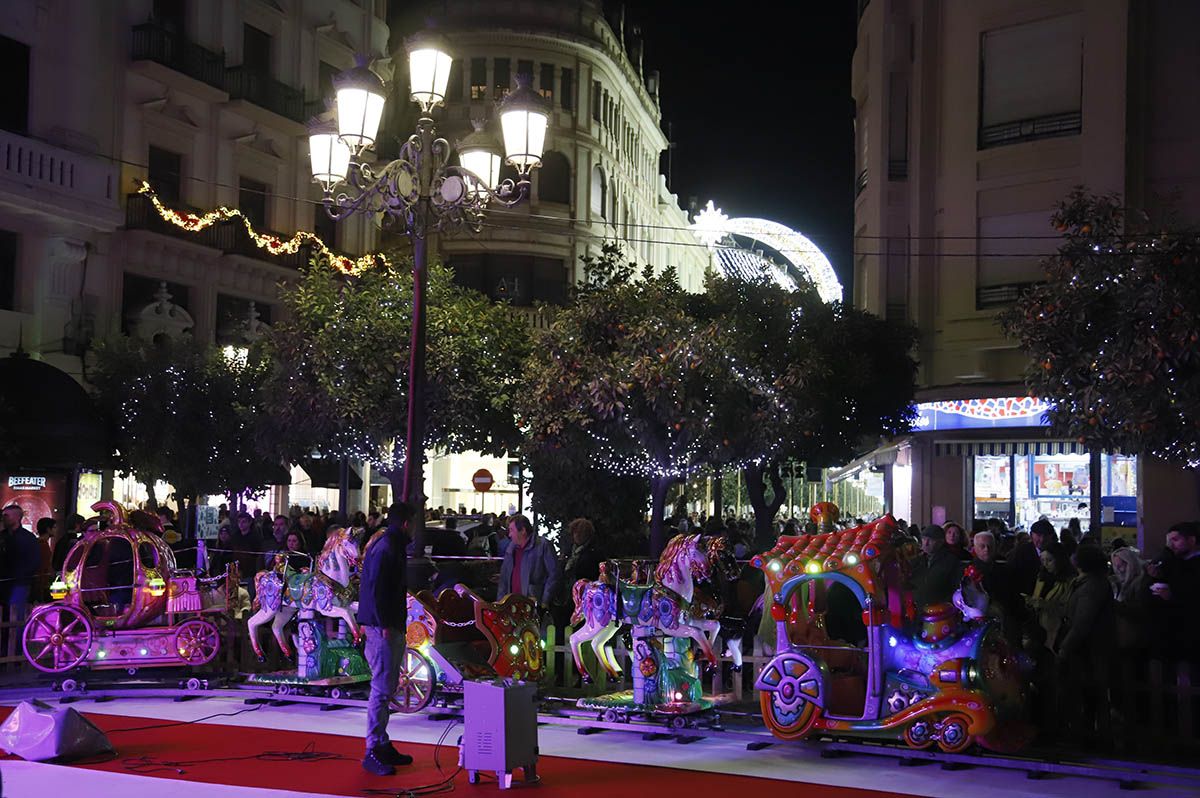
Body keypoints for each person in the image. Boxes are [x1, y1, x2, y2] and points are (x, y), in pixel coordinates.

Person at [357, 502, 414, 776]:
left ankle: (380, 743)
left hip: (384, 624)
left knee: (385, 687)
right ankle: (373, 748)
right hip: (383, 626)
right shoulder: (389, 547)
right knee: (381, 688)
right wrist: (383, 624)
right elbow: (377, 587)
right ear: (405, 523)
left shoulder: (387, 544)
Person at [1057, 544, 1115, 746]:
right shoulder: (1088, 583)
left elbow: (1082, 622)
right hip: (1089, 647)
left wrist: (1065, 647)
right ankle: (1089, 733)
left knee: (1090, 692)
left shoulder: (1090, 586)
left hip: (1089, 648)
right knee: (1090, 692)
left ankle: (1090, 736)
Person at [1147, 521, 1200, 662]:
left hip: (1191, 631)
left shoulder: (1192, 564)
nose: (1171, 545)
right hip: (1173, 632)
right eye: (1169, 541)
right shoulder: (1175, 561)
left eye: (1175, 540)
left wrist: (1173, 596)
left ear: (1192, 540)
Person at [497, 514, 560, 608]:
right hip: (512, 606)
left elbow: (554, 574)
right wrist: (500, 603)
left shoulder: (543, 546)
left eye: (511, 530)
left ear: (523, 530)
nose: (509, 535)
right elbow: (504, 579)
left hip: (534, 605)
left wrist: (545, 600)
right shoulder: (510, 549)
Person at [1026, 542, 1073, 653]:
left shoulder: (1068, 581)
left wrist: (1045, 605)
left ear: (1059, 559)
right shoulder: (1041, 577)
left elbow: (1068, 608)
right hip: (1039, 628)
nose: (1046, 564)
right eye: (1043, 560)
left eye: (1050, 560)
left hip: (1057, 631)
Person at [909, 524, 963, 610]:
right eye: (924, 539)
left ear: (940, 542)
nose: (926, 543)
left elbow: (956, 587)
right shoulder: (917, 560)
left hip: (939, 611)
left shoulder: (950, 561)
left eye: (930, 540)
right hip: (917, 610)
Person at [1, 505, 40, 607]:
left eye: (6, 515)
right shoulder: (2, 536)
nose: (3, 518)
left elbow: (34, 562)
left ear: (17, 517)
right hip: (3, 583)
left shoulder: (28, 538)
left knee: (16, 614)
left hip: (19, 583)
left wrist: (21, 575)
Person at [34, 517, 56, 602]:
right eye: (54, 527)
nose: (55, 530)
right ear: (48, 529)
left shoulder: (39, 543)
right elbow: (44, 565)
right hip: (42, 583)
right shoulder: (43, 545)